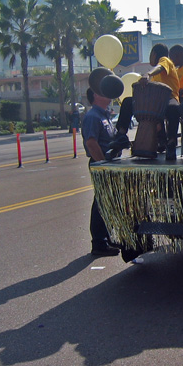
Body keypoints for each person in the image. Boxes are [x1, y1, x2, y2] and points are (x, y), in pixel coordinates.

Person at [113, 43, 181, 160]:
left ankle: (171, 142)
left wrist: (148, 74)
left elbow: (160, 66)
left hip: (169, 98)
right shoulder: (155, 77)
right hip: (155, 101)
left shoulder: (165, 61)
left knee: (173, 108)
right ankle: (121, 135)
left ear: (154, 54)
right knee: (128, 102)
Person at [82, 87, 121, 256]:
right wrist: (102, 164)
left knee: (107, 202)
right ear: (96, 96)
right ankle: (98, 242)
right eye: (103, 91)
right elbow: (91, 142)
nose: (108, 94)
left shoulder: (105, 115)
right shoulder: (93, 116)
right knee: (101, 203)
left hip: (109, 163)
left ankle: (106, 238)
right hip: (101, 163)